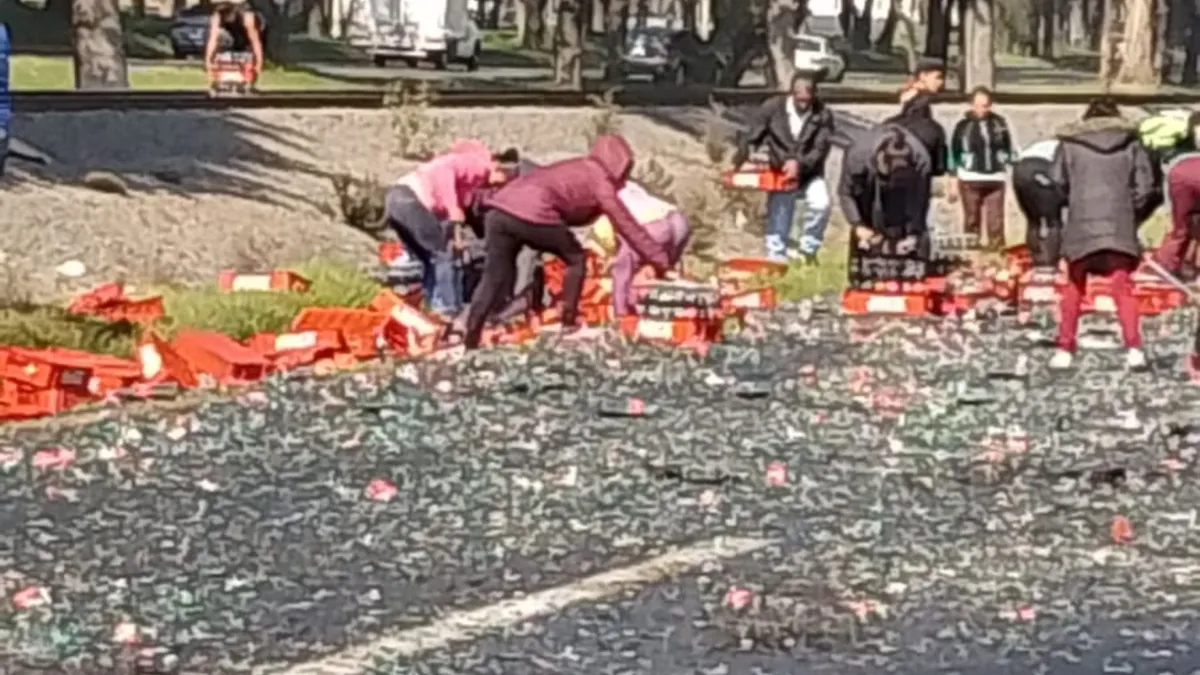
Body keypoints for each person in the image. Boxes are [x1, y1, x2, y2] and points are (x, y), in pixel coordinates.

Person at [462, 134, 670, 349]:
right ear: (618, 165)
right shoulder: (600, 179)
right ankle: (567, 322)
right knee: (576, 259)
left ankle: (471, 335)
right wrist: (659, 260)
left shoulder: (576, 166)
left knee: (493, 276)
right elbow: (626, 224)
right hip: (534, 212)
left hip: (499, 211)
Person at [1048, 98, 1157, 371]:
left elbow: (1057, 180)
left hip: (1081, 222)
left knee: (1074, 287)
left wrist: (1072, 201)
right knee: (1122, 288)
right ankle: (1134, 349)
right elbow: (1145, 186)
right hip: (1119, 223)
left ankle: (1064, 349)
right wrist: (1130, 212)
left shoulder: (1070, 143)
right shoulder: (1131, 143)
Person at [385, 139, 508, 320]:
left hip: (396, 200)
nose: (500, 186)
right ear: (497, 166)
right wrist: (453, 207)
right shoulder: (478, 166)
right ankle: (446, 310)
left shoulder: (472, 182)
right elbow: (444, 171)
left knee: (428, 258)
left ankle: (430, 307)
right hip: (410, 199)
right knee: (444, 254)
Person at [732, 72, 834, 264]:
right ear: (791, 94)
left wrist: (799, 164)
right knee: (780, 212)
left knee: (822, 204)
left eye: (808, 99)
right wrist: (745, 158)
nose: (804, 104)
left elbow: (821, 149)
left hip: (810, 173)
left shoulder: (823, 114)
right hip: (779, 172)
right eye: (799, 99)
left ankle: (808, 251)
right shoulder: (772, 108)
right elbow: (753, 135)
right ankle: (776, 258)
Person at [589, 181, 692, 316]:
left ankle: (623, 311)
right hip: (678, 221)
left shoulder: (612, 221)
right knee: (662, 270)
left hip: (652, 226)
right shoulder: (625, 189)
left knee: (624, 272)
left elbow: (621, 271)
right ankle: (666, 302)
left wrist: (619, 310)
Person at [839, 124, 933, 261]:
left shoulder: (922, 160)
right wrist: (858, 224)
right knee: (867, 228)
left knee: (906, 230)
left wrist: (913, 232)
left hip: (905, 191)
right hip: (868, 187)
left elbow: (920, 199)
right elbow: (846, 193)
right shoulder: (858, 155)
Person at [947, 87, 1015, 250]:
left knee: (996, 220)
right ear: (971, 105)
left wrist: (1008, 165)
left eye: (986, 105)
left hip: (995, 178)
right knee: (971, 218)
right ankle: (971, 254)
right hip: (970, 177)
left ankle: (996, 253)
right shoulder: (963, 126)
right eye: (978, 105)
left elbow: (1007, 148)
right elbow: (954, 152)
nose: (983, 110)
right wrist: (952, 179)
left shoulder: (999, 123)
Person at [1011, 137, 1066, 269]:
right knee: (1053, 220)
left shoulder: (1047, 144)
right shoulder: (1069, 148)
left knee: (1033, 219)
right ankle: (1050, 262)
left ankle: (1035, 258)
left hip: (1019, 169)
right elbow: (1061, 177)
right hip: (1041, 168)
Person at [204, 0, 264, 88]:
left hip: (246, 38)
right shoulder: (218, 15)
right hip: (232, 38)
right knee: (223, 42)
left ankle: (247, 81)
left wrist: (259, 63)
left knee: (247, 59)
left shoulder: (247, 15)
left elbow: (255, 41)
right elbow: (213, 38)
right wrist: (208, 61)